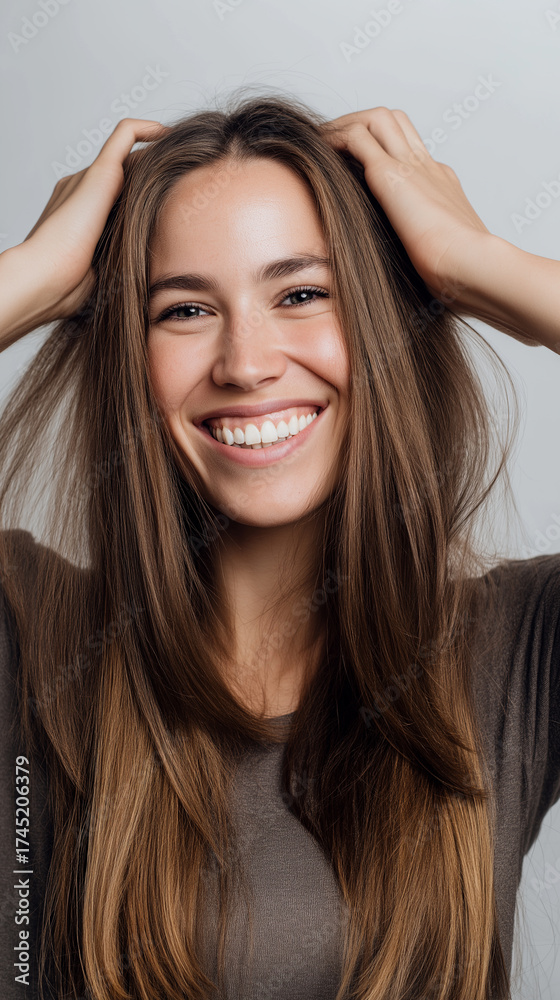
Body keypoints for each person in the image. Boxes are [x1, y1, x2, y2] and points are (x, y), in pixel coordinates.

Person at [1, 91, 560, 1000]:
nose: (247, 362)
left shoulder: (511, 651)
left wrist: (484, 267)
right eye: (183, 311)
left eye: (303, 293)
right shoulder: (27, 635)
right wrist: (27, 279)